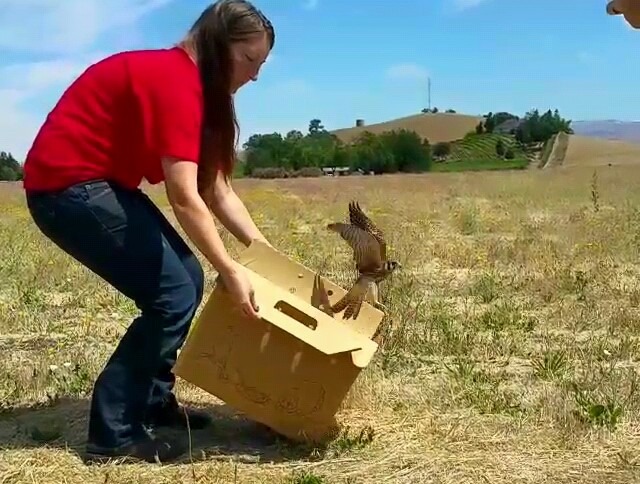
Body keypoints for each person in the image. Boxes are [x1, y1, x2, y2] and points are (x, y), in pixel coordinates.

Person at [21, 0, 275, 464]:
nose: (255, 75)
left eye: (261, 64)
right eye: (250, 59)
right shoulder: (175, 82)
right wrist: (230, 268)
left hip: (97, 185)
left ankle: (152, 403)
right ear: (220, 46)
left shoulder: (194, 87)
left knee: (185, 280)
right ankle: (113, 433)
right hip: (66, 189)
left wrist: (262, 252)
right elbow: (184, 197)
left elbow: (215, 189)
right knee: (174, 291)